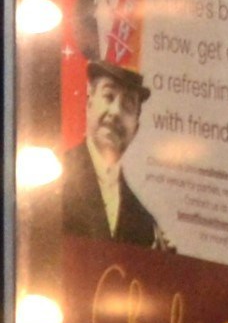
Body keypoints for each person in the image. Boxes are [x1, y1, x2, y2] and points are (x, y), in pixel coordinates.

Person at [58, 61, 159, 246]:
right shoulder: (55, 183)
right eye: (108, 96)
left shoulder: (144, 223)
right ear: (89, 104)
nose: (115, 112)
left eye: (128, 105)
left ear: (135, 129)